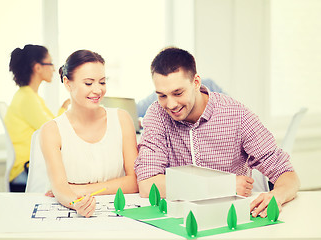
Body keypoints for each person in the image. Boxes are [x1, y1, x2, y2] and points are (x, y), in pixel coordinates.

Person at [134, 47, 300, 218]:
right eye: (162, 96)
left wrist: (277, 196)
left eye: (178, 93)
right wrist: (223, 186)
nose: (170, 104)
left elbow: (287, 174)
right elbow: (148, 185)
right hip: (178, 219)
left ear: (196, 82)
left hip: (231, 218)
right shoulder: (156, 114)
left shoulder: (237, 114)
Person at [40, 50, 138, 217]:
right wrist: (75, 201)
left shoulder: (122, 119)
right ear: (67, 83)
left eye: (102, 82)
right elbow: (59, 188)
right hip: (75, 213)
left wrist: (82, 189)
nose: (98, 90)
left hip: (119, 211)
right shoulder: (51, 131)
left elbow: (135, 182)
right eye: (88, 83)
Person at [5, 44, 70, 192]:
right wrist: (65, 108)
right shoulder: (27, 99)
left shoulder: (29, 96)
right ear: (38, 67)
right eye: (50, 63)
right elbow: (54, 130)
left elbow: (51, 124)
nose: (54, 69)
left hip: (28, 166)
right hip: (26, 170)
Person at [136, 78, 225, 118]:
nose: (171, 105)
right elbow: (137, 110)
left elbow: (227, 107)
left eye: (178, 93)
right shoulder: (157, 96)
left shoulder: (209, 85)